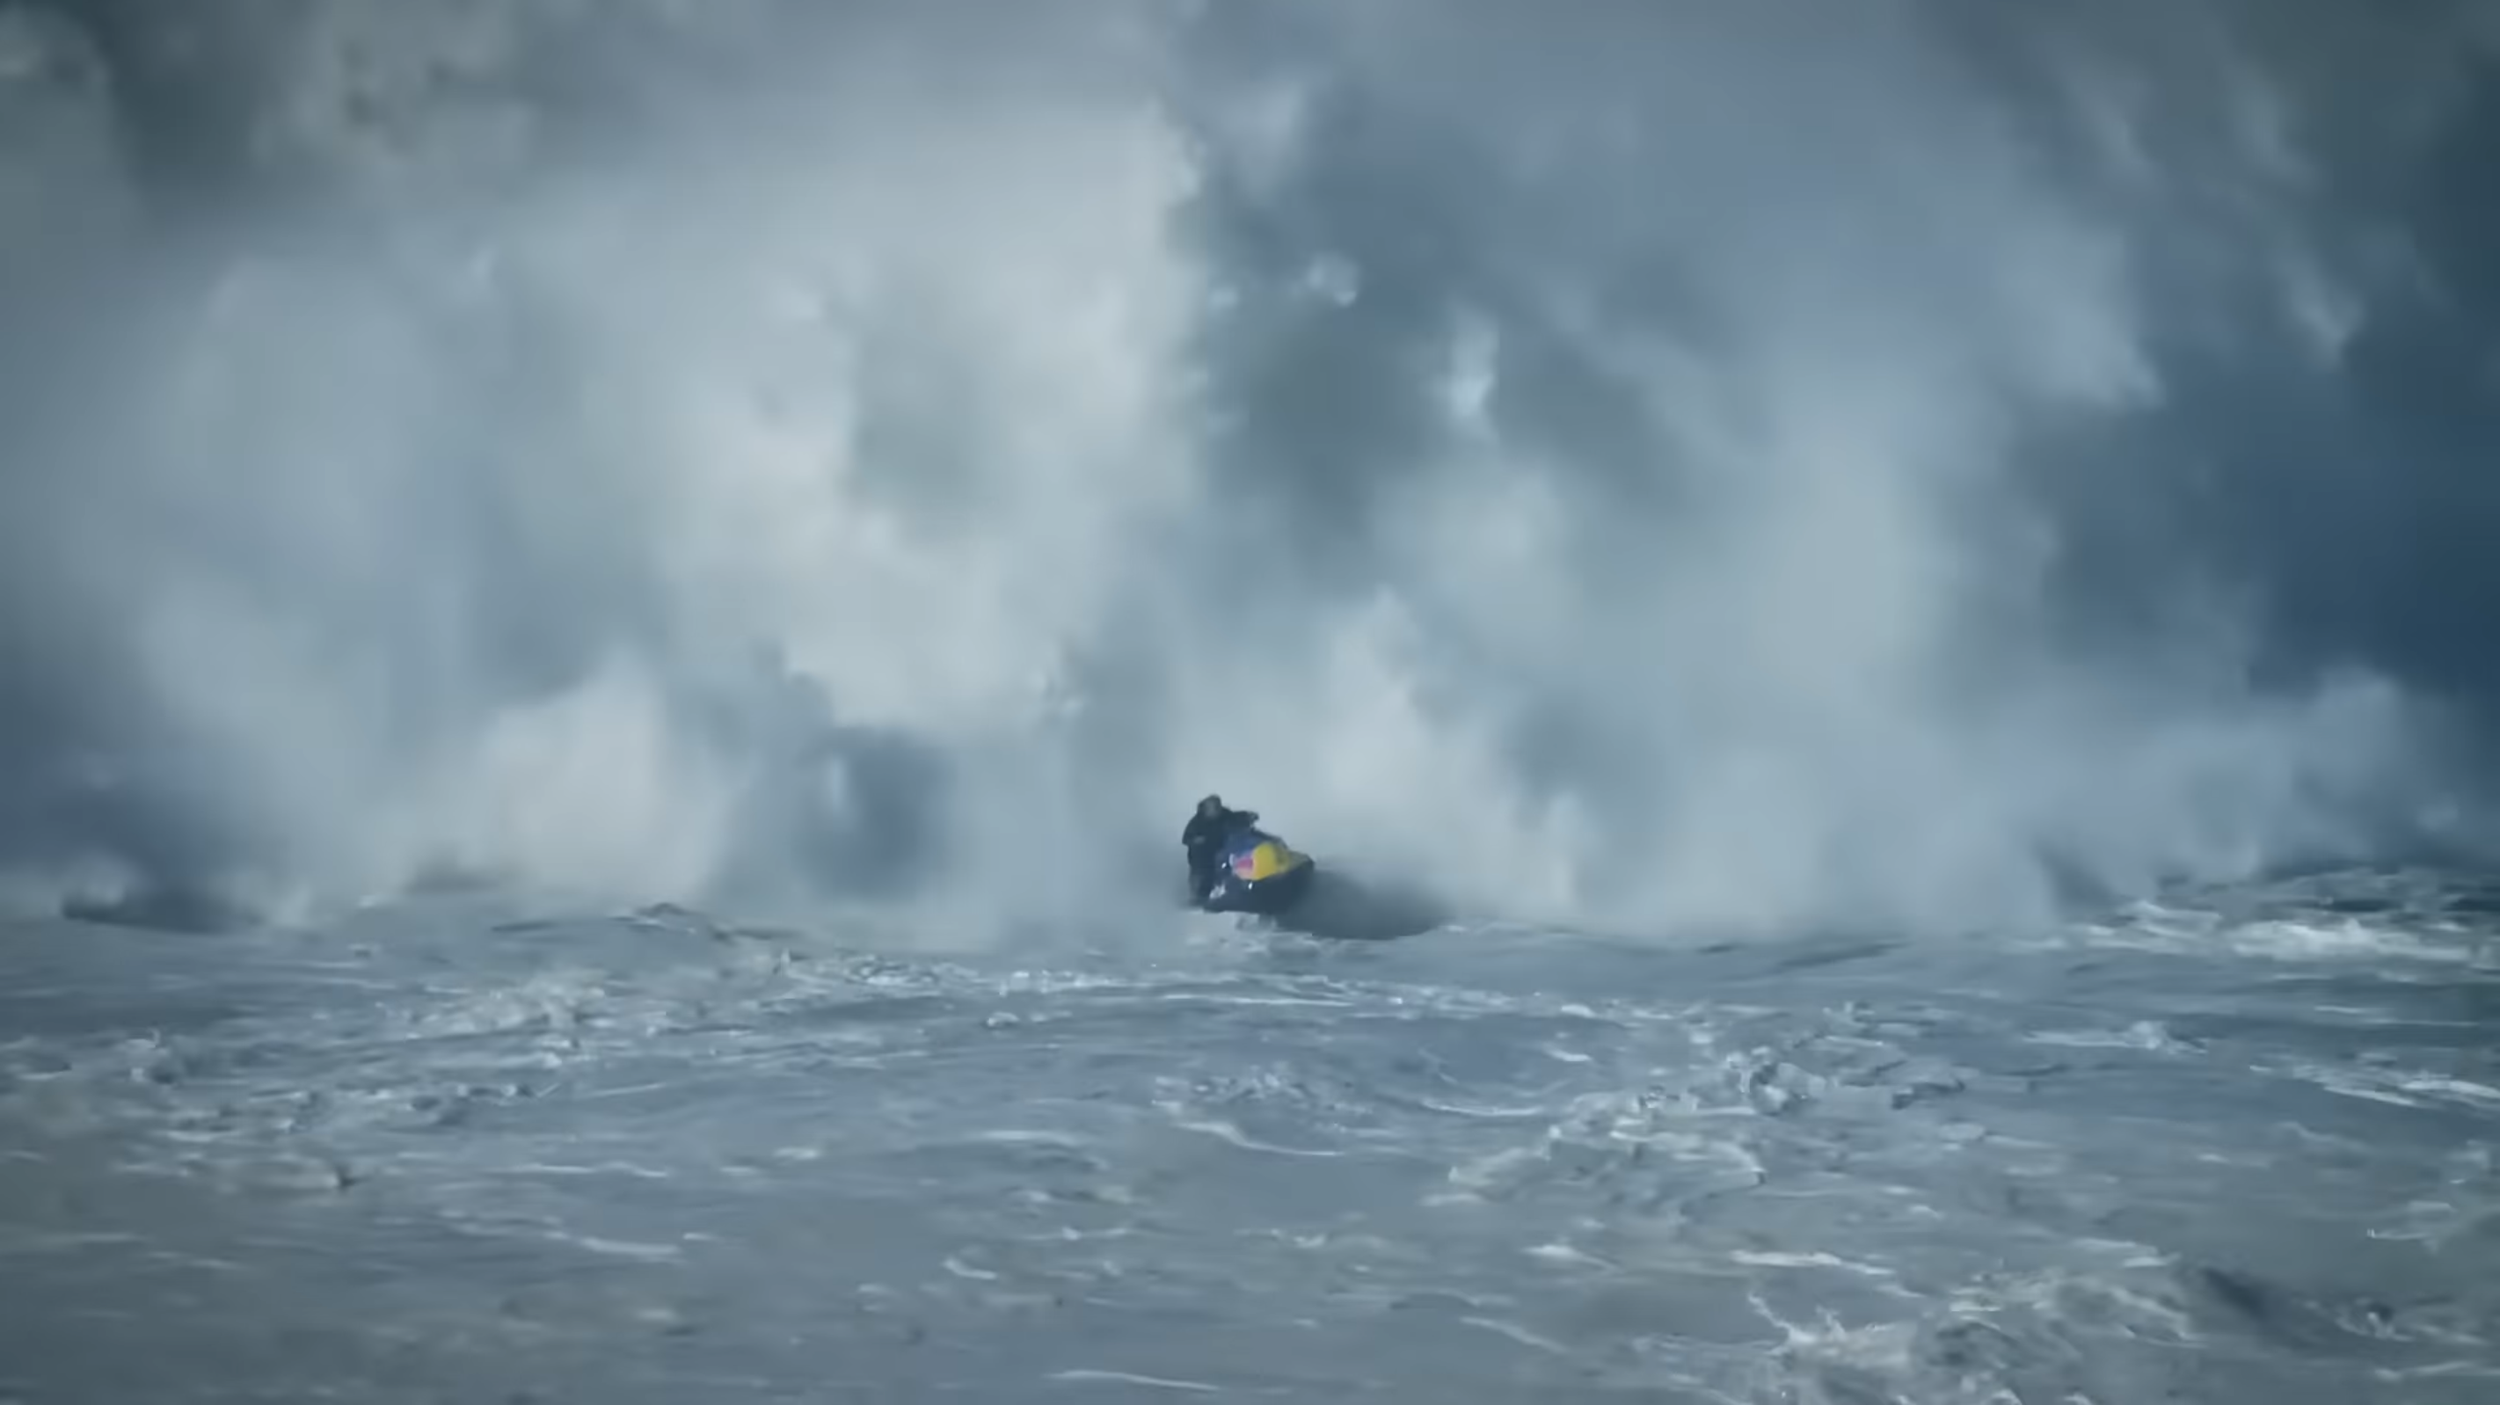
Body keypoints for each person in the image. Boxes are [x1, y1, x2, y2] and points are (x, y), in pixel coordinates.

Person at [1181, 794, 1259, 904]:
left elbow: (1235, 817)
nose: (1217, 810)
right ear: (1206, 809)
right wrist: (1196, 840)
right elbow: (1185, 838)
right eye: (1213, 808)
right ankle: (1199, 897)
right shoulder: (1197, 822)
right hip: (1202, 856)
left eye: (1218, 806)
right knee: (1204, 873)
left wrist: (1247, 816)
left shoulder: (1224, 814)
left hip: (1223, 849)